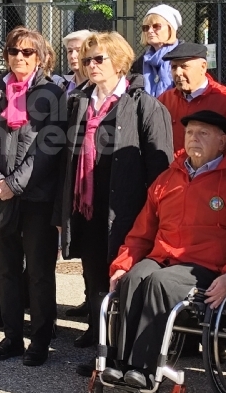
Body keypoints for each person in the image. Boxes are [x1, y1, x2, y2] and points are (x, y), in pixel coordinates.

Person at [104, 110, 226, 389]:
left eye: (203, 133)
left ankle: (143, 368)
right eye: (189, 133)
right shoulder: (167, 180)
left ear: (222, 142)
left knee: (159, 282)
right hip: (163, 258)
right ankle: (118, 365)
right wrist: (122, 265)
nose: (194, 139)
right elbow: (140, 234)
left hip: (205, 267)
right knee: (135, 277)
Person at [62, 31, 174, 365]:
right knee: (94, 275)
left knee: (122, 278)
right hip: (87, 204)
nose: (91, 65)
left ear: (120, 61)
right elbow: (66, 161)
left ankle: (121, 352)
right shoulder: (78, 102)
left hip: (128, 210)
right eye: (87, 60)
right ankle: (101, 347)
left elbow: (160, 167)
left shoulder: (143, 105)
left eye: (99, 59)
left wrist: (155, 216)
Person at [0, 28, 67, 365]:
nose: (19, 58)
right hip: (0, 193)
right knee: (6, 267)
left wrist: (17, 183)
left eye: (27, 52)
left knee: (39, 271)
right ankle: (12, 337)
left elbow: (49, 146)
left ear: (40, 56)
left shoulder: (52, 93)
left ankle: (40, 339)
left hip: (36, 195)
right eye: (14, 51)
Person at [156, 42, 226, 172]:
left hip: (214, 182)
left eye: (184, 66)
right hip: (175, 180)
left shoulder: (225, 102)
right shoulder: (164, 101)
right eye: (174, 67)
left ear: (203, 67)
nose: (178, 73)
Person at [129, 5, 182, 97]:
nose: (150, 31)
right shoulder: (140, 63)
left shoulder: (184, 57)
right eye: (146, 27)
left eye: (156, 26)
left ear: (170, 28)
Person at [61, 30, 93, 94]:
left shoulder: (98, 87)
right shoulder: (62, 85)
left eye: (78, 50)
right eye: (70, 51)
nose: (73, 56)